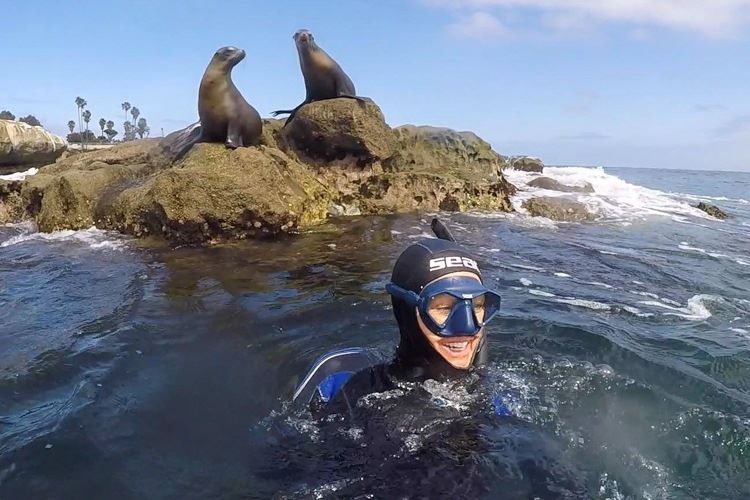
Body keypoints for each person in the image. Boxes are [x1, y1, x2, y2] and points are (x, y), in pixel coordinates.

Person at [293, 221, 503, 411]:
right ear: (407, 312)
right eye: (444, 309)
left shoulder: (491, 398)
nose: (467, 326)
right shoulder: (347, 386)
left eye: (476, 306)